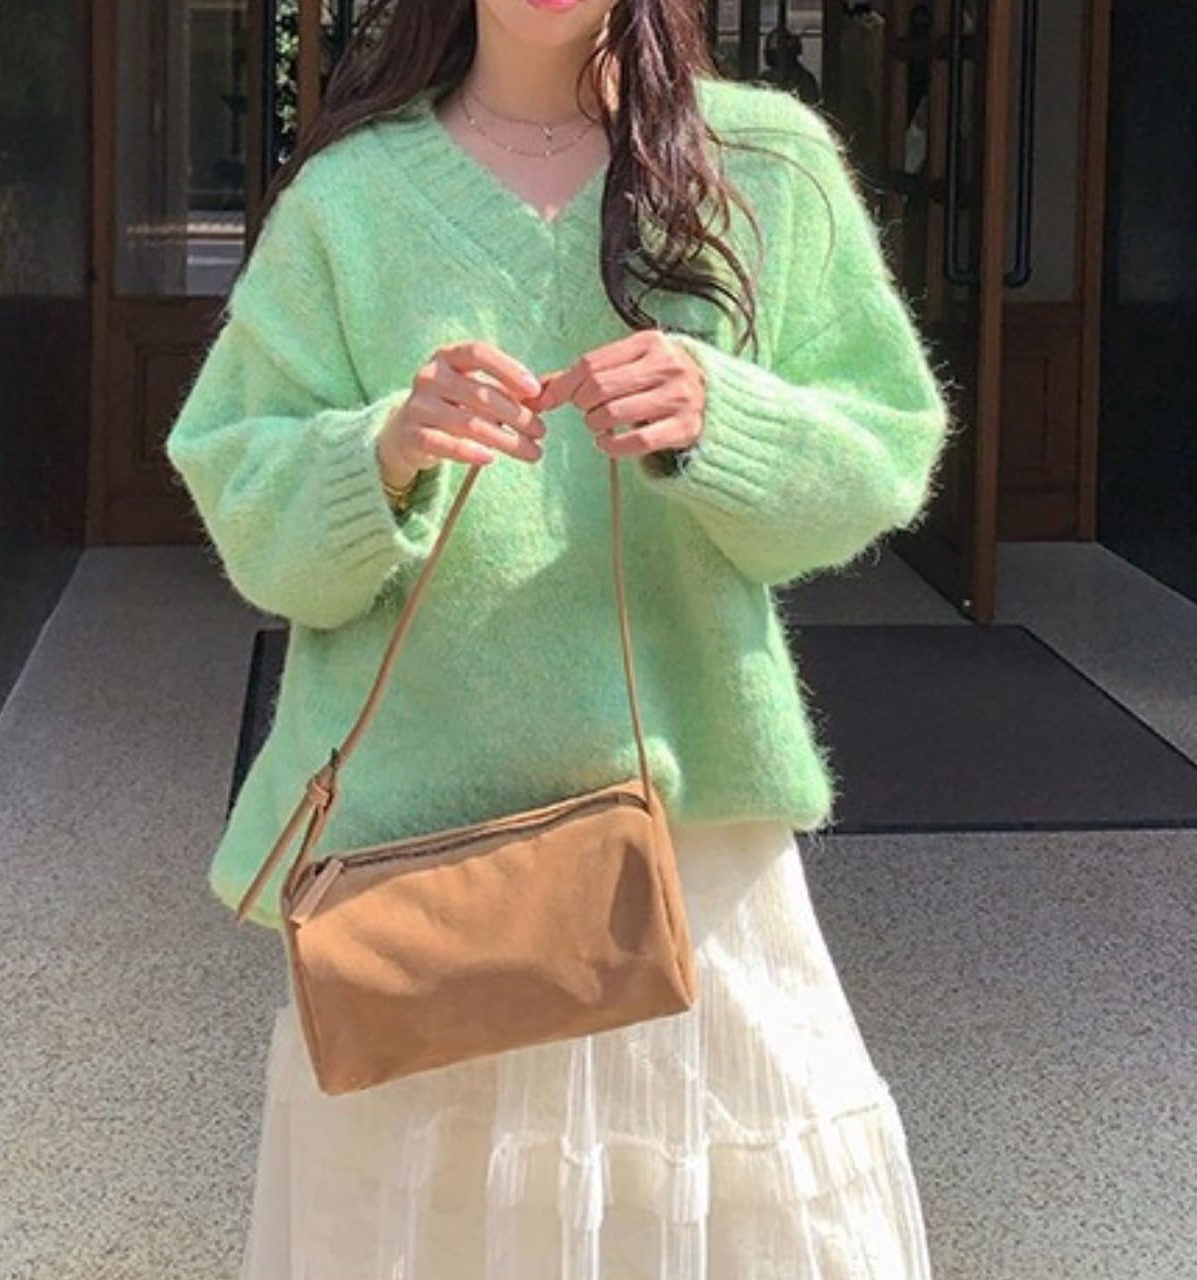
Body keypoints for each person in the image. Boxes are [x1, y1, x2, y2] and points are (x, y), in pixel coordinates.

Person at [164, 1, 952, 1276]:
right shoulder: (348, 201)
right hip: (418, 877)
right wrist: (380, 450)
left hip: (691, 863)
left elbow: (882, 445)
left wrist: (722, 418)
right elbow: (246, 500)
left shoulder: (765, 165)